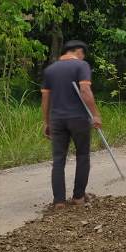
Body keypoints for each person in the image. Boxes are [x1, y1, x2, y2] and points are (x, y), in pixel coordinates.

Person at [41, 40, 102, 210]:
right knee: (82, 155)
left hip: (57, 119)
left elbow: (45, 99)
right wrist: (95, 114)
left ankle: (59, 201)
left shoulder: (50, 70)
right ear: (79, 51)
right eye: (83, 54)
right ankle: (78, 197)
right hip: (78, 118)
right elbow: (85, 91)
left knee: (58, 159)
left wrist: (47, 122)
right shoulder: (81, 66)